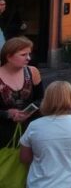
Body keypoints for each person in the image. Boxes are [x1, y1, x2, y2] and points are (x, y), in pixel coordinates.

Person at [18, 81, 71, 188]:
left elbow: (24, 158)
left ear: (46, 100)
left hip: (38, 184)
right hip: (70, 184)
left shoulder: (34, 126)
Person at [1, 37, 43, 177]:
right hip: (3, 134)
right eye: (23, 54)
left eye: (29, 54)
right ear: (9, 56)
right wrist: (7, 114)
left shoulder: (32, 72)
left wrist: (30, 110)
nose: (28, 58)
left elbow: (41, 99)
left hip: (31, 130)